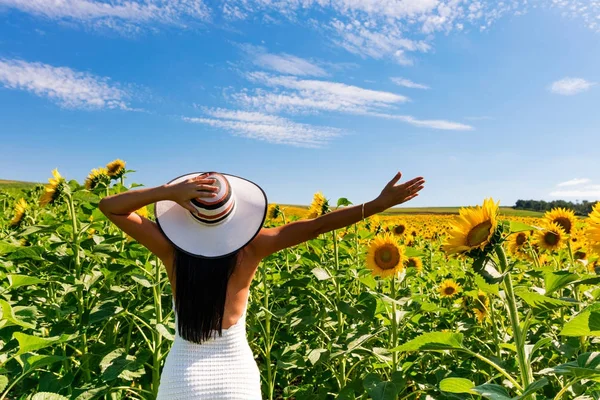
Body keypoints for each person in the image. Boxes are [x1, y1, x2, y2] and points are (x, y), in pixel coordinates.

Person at [98, 170, 425, 399]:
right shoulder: (252, 247)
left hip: (183, 377)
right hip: (235, 377)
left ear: (187, 215)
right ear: (235, 214)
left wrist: (167, 192)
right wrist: (377, 205)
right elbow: (316, 226)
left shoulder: (171, 250)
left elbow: (111, 207)